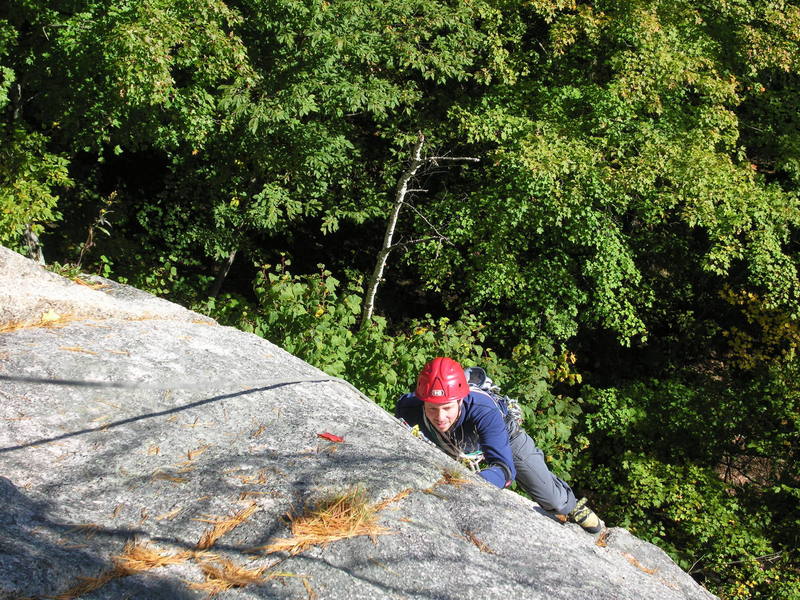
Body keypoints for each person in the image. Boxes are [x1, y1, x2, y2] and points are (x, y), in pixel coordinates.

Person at [395, 356, 603, 534]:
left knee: (553, 501)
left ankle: (572, 505)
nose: (440, 417)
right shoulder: (408, 408)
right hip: (456, 445)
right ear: (423, 402)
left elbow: (505, 470)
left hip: (506, 438)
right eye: (432, 409)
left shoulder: (482, 408)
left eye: (447, 408)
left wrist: (471, 482)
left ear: (461, 400)